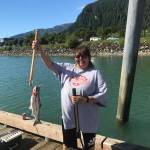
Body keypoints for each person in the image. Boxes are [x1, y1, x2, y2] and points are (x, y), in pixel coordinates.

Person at [32, 41, 107, 150]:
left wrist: (85, 99)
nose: (80, 59)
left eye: (84, 56)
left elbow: (103, 95)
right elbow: (50, 64)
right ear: (74, 58)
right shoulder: (66, 68)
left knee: (89, 147)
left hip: (88, 121)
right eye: (77, 56)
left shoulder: (96, 73)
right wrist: (40, 50)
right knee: (67, 146)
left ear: (89, 57)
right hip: (68, 119)